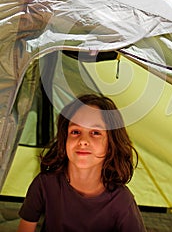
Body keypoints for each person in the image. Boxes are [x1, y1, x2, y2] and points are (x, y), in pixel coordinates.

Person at [17, 94, 146, 232]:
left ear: (110, 144)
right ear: (64, 139)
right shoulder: (44, 185)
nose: (83, 140)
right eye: (76, 131)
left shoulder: (122, 200)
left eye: (95, 132)